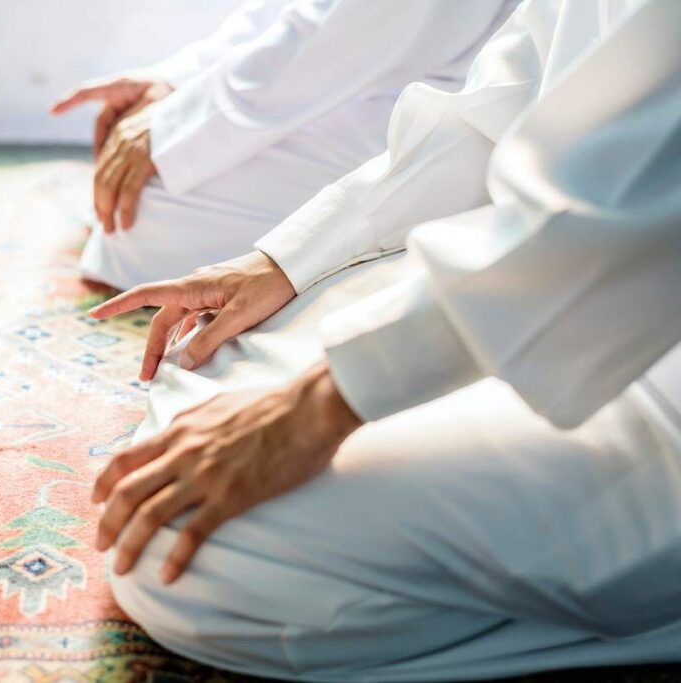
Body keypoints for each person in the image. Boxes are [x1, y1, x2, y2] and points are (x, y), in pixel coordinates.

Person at [87, 0, 681, 679]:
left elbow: (616, 221)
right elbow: (499, 107)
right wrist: (280, 263)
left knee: (183, 543)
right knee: (211, 355)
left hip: (647, 352)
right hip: (554, 278)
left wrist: (318, 405)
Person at [51, 0, 516, 290]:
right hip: (372, 76)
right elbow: (298, 12)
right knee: (139, 176)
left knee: (149, 209)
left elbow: (349, 36)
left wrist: (173, 126)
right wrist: (175, 82)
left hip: (460, 109)